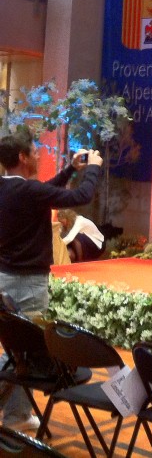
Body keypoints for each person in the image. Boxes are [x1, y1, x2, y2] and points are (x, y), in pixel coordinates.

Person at [0, 129, 103, 431]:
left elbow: (43, 193)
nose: (37, 156)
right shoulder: (28, 191)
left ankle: (18, 415)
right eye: (34, 152)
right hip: (29, 284)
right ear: (22, 157)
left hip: (5, 279)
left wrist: (70, 169)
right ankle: (18, 416)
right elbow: (81, 196)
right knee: (27, 352)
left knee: (16, 349)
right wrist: (93, 168)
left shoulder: (11, 188)